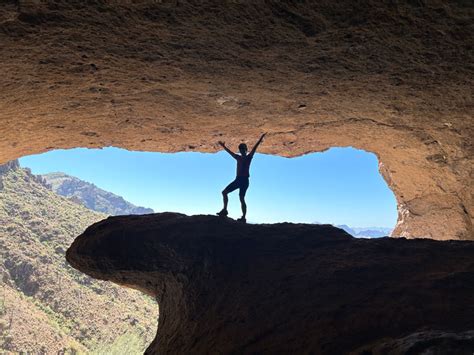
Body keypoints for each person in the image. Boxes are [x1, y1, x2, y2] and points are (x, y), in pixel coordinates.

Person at [217, 133, 267, 222]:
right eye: (241, 150)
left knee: (241, 198)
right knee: (224, 192)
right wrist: (223, 146)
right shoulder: (238, 157)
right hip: (238, 180)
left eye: (243, 149)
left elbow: (255, 148)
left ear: (246, 150)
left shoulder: (249, 157)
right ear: (240, 151)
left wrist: (260, 139)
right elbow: (230, 153)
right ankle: (224, 210)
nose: (242, 151)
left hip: (244, 181)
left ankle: (243, 217)